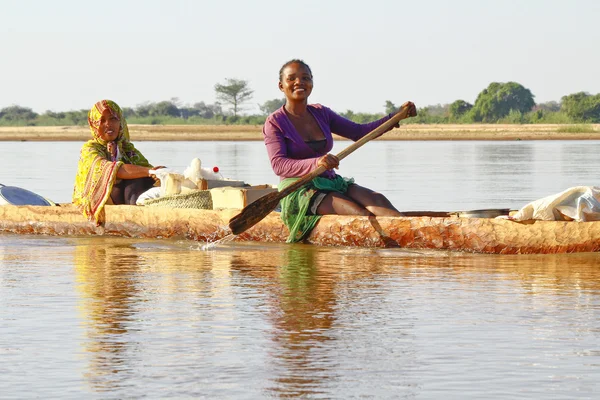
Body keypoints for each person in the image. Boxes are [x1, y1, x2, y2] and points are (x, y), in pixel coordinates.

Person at [263, 59, 417, 242]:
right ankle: (386, 246)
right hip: (299, 189)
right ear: (281, 86)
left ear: (312, 82)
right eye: (292, 78)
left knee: (378, 200)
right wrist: (316, 163)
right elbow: (279, 165)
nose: (299, 82)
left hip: (329, 181)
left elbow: (359, 132)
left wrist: (396, 116)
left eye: (305, 78)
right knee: (358, 214)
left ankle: (413, 235)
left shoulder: (321, 113)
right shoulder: (275, 122)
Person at [73, 100, 164, 224]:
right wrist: (148, 171)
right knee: (133, 182)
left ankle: (143, 216)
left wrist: (158, 173)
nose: (108, 124)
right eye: (102, 121)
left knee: (155, 178)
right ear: (94, 125)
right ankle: (135, 222)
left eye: (113, 119)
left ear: (120, 122)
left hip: (125, 197)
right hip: (98, 201)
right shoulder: (90, 149)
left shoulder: (126, 148)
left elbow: (144, 168)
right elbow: (114, 170)